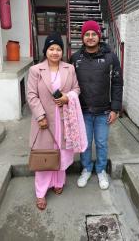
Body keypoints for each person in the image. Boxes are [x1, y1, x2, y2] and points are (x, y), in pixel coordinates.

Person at [27, 32, 87, 210]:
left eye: (58, 49)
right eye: (51, 49)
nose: (55, 52)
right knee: (44, 156)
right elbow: (31, 95)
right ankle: (40, 193)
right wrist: (40, 116)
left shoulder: (69, 68)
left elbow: (76, 88)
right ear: (46, 50)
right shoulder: (36, 70)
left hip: (64, 121)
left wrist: (68, 98)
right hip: (44, 122)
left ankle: (58, 182)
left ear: (63, 51)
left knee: (62, 153)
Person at [70, 20, 123, 190]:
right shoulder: (76, 58)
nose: (90, 37)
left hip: (103, 111)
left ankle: (100, 170)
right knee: (84, 143)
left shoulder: (110, 57)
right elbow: (70, 84)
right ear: (82, 37)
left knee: (101, 142)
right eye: (87, 34)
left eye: (94, 34)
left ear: (99, 36)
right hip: (82, 111)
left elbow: (117, 83)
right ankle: (86, 169)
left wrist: (115, 109)